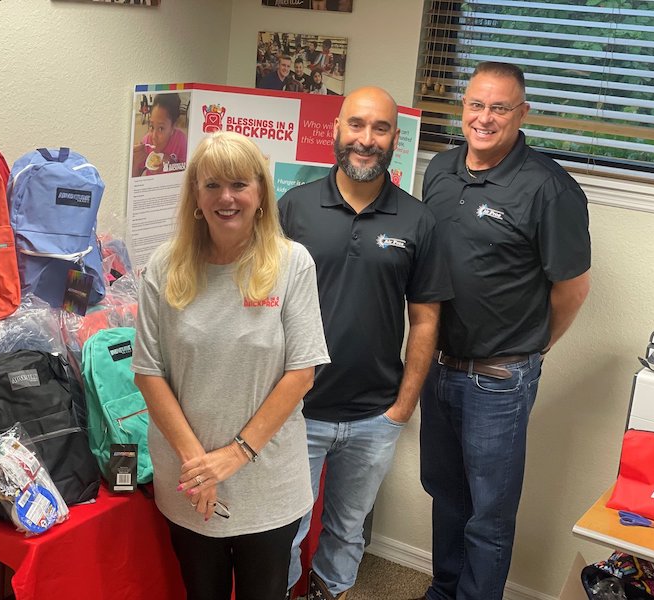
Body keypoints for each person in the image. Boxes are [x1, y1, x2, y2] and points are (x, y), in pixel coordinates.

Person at [418, 61, 591, 600]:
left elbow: (572, 289)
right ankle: (443, 591)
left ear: (522, 114)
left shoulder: (549, 188)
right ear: (462, 108)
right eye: (475, 105)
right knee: (446, 497)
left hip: (498, 379)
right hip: (438, 366)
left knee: (488, 515)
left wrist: (532, 349)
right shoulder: (440, 171)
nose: (484, 118)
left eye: (499, 107)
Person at [132, 131, 330, 600]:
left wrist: (232, 456)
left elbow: (302, 372)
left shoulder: (291, 263)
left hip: (265, 479)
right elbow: (148, 371)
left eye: (240, 184)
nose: (226, 197)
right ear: (196, 197)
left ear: (260, 194)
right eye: (212, 185)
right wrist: (198, 467)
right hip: (188, 476)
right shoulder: (164, 266)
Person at [279, 87, 453, 600]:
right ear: (335, 129)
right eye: (356, 125)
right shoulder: (294, 208)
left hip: (374, 415)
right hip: (295, 410)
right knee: (284, 528)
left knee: (347, 529)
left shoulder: (418, 221)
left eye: (380, 129)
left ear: (396, 140)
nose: (366, 139)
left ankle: (330, 592)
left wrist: (403, 407)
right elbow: (261, 306)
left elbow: (424, 320)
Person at [132, 93, 188, 177]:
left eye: (161, 128)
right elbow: (136, 179)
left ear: (173, 127)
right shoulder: (146, 141)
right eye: (151, 126)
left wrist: (170, 163)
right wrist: (134, 163)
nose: (154, 136)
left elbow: (186, 170)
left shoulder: (181, 140)